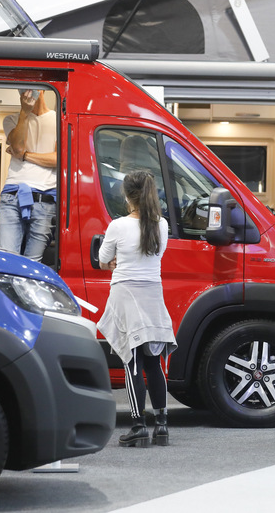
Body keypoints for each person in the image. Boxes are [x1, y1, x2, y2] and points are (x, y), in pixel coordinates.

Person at [96, 170, 177, 448]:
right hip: (152, 293)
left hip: (125, 293)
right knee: (154, 361)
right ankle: (162, 425)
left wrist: (111, 262)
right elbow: (158, 254)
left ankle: (138, 425)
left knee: (132, 361)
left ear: (126, 195)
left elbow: (103, 259)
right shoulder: (161, 225)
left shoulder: (117, 226)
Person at [0, 89, 57, 262]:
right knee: (7, 260)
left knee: (34, 263)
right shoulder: (11, 119)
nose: (28, 92)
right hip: (12, 195)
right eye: (23, 89)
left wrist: (25, 156)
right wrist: (24, 112)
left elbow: (57, 159)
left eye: (32, 88)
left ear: (42, 89)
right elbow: (16, 147)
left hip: (45, 198)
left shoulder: (58, 120)